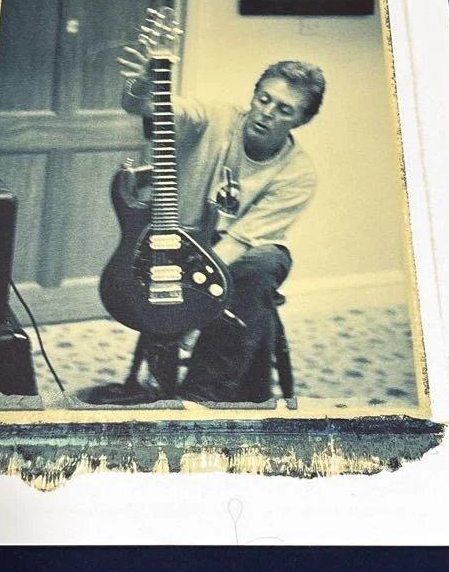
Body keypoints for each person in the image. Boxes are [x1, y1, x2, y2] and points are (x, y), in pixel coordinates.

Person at [118, 40, 325, 402]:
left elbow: (240, 241)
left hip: (241, 252)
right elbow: (147, 107)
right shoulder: (212, 117)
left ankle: (201, 395)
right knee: (254, 300)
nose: (267, 113)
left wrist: (193, 297)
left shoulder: (299, 173)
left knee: (262, 266)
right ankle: (251, 392)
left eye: (284, 110)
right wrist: (145, 85)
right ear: (254, 95)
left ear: (302, 120)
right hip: (182, 240)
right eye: (263, 99)